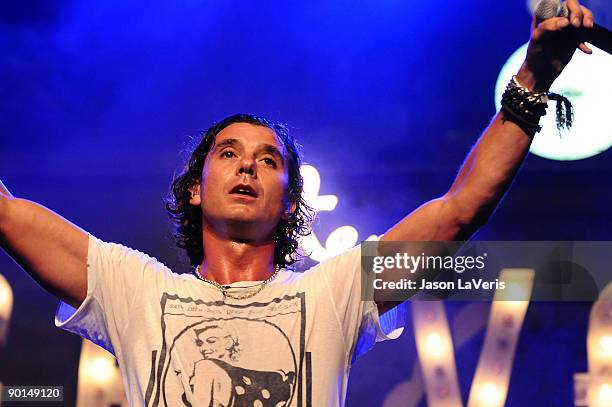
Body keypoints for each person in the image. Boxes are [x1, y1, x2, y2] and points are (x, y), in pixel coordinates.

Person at [0, 1, 597, 405]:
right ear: (195, 189)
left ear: (290, 202)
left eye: (268, 159)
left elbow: (462, 207)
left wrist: (536, 76)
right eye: (228, 153)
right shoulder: (135, 289)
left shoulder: (333, 292)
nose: (247, 165)